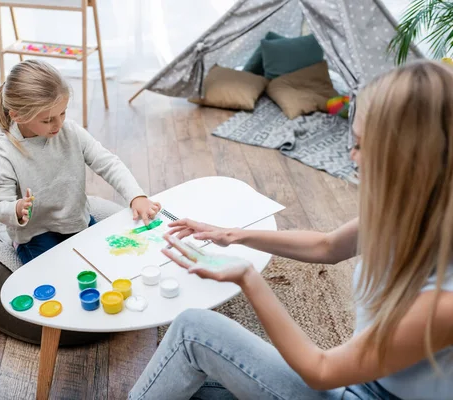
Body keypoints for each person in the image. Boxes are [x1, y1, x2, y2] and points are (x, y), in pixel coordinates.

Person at [129, 60, 453, 399]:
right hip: (364, 378)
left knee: (191, 332)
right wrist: (232, 234)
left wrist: (247, 277)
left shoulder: (444, 303)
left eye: (360, 144)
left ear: (408, 158)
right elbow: (326, 247)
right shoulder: (412, 212)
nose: (353, 156)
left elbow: (321, 371)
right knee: (184, 379)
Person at [0, 60, 160, 264]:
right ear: (17, 115)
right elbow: (0, 204)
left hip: (77, 222)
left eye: (63, 112)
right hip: (35, 235)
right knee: (60, 277)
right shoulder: (6, 150)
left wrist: (136, 196)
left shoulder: (70, 132)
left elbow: (108, 163)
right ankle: (17, 246)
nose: (59, 124)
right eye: (47, 120)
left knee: (108, 263)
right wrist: (16, 209)